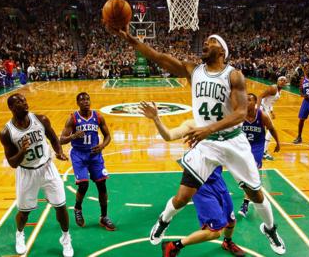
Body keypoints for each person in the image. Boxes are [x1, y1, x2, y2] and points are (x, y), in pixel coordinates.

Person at [111, 25, 286, 254]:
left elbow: (241, 113)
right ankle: (163, 221)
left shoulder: (233, 75)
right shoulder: (194, 70)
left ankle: (270, 228)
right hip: (208, 144)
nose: (205, 43)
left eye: (211, 42)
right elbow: (158, 56)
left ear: (222, 51)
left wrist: (208, 129)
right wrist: (132, 40)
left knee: (255, 193)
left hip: (233, 141)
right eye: (205, 41)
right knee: (183, 196)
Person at [139, 101, 245, 257]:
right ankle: (169, 233)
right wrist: (156, 118)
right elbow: (169, 136)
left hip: (217, 177)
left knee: (231, 221)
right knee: (214, 231)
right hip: (199, 180)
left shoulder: (226, 125)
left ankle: (227, 242)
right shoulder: (192, 124)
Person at [0, 93, 73, 257]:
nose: (24, 103)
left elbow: (53, 138)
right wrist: (22, 152)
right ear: (11, 108)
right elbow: (12, 163)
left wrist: (59, 152)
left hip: (47, 168)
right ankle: (19, 234)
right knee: (24, 213)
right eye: (19, 102)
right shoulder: (7, 133)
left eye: (25, 100)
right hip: (26, 172)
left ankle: (66, 238)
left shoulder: (41, 119)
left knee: (60, 206)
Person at [59, 92, 116, 230]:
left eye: (87, 99)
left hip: (94, 155)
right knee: (83, 185)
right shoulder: (72, 119)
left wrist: (102, 146)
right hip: (79, 155)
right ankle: (78, 209)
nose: (86, 101)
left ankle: (104, 217)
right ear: (77, 103)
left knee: (102, 185)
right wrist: (73, 136)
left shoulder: (98, 116)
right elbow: (61, 139)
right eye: (82, 100)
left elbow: (108, 136)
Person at [239, 93, 280, 218]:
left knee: (252, 173)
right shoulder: (240, 115)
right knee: (244, 176)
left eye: (250, 100)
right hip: (243, 147)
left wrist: (278, 143)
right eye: (245, 99)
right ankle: (251, 191)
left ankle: (245, 203)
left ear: (255, 103)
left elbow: (272, 129)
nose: (247, 102)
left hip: (257, 148)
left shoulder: (261, 115)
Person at [256, 76, 286, 160]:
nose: (282, 81)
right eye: (281, 80)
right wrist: (258, 110)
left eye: (284, 81)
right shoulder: (273, 88)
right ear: (277, 81)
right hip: (262, 108)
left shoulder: (280, 91)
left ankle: (261, 151)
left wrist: (272, 111)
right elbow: (260, 96)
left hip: (267, 109)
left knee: (264, 130)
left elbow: (270, 101)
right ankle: (263, 152)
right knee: (270, 129)